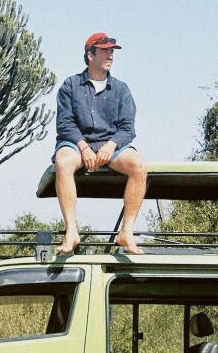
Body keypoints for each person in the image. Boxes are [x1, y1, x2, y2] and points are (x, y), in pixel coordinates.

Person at [53, 32, 147, 255]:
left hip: (111, 146)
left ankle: (126, 232)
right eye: (105, 51)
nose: (110, 55)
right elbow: (65, 124)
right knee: (63, 161)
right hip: (77, 144)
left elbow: (128, 128)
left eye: (112, 51)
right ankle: (71, 231)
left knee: (139, 166)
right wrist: (84, 147)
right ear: (90, 55)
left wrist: (111, 145)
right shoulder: (70, 85)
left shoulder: (122, 89)